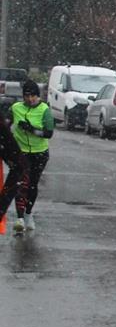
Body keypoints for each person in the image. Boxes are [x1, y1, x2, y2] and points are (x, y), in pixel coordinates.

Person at [9, 80, 53, 233]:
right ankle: (19, 218)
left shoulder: (44, 109)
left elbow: (48, 133)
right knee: (21, 183)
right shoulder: (16, 108)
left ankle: (28, 213)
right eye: (27, 96)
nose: (30, 99)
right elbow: (5, 124)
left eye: (33, 96)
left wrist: (31, 129)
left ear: (38, 96)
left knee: (32, 184)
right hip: (21, 152)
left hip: (39, 153)